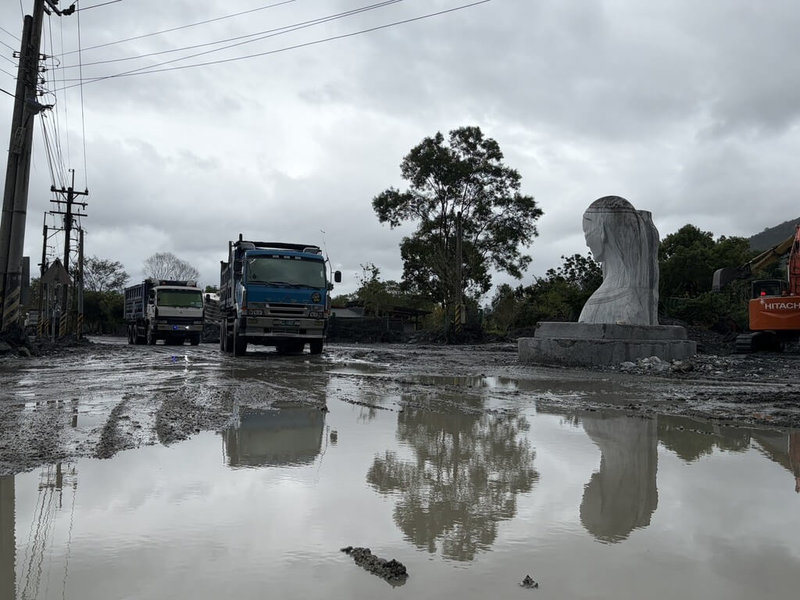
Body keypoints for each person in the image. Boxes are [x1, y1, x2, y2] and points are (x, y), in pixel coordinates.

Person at [578, 196, 659, 325]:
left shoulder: (621, 300)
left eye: (587, 232)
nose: (587, 243)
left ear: (602, 231)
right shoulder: (627, 295)